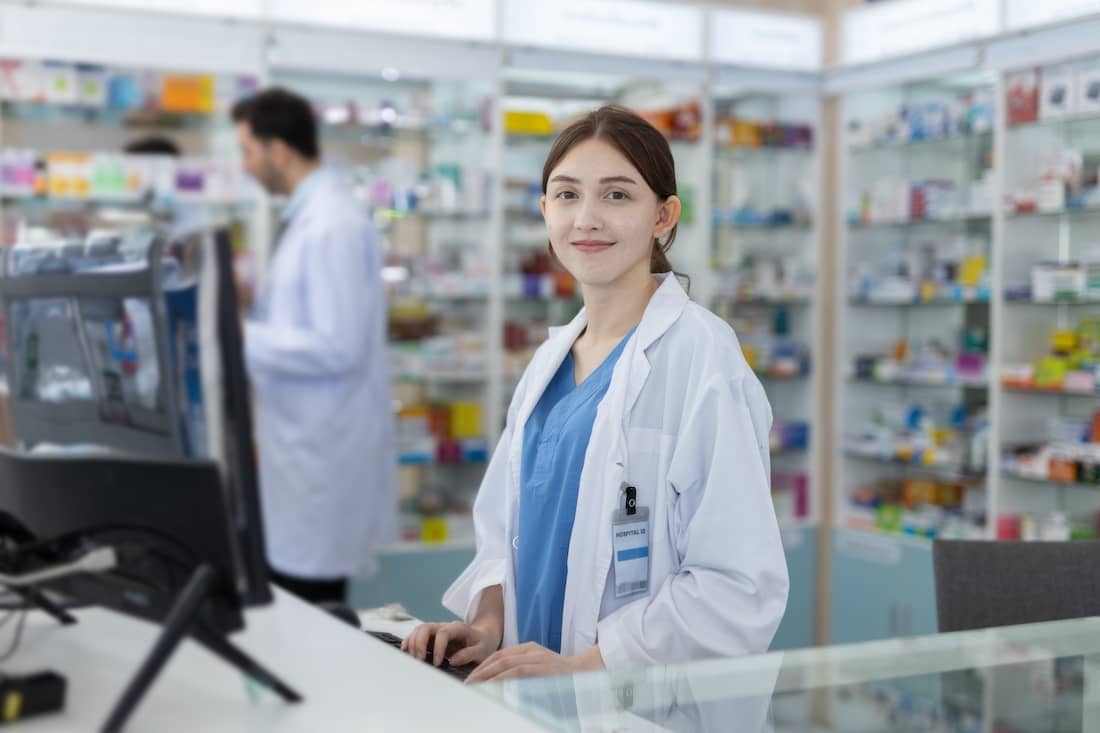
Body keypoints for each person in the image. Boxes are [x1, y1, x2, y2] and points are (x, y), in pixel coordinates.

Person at [403, 105, 789, 681]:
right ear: (544, 212)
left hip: (639, 705)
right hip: (528, 692)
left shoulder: (700, 355)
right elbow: (508, 534)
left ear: (663, 215)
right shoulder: (547, 362)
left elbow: (738, 585)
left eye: (616, 196)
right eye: (566, 195)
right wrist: (484, 630)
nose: (586, 219)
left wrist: (585, 669)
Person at [231, 88, 396, 604]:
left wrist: (240, 334)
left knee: (312, 613)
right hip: (299, 457)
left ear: (278, 150)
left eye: (248, 152)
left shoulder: (331, 224)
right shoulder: (311, 217)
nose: (247, 166)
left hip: (320, 466)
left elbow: (337, 345)